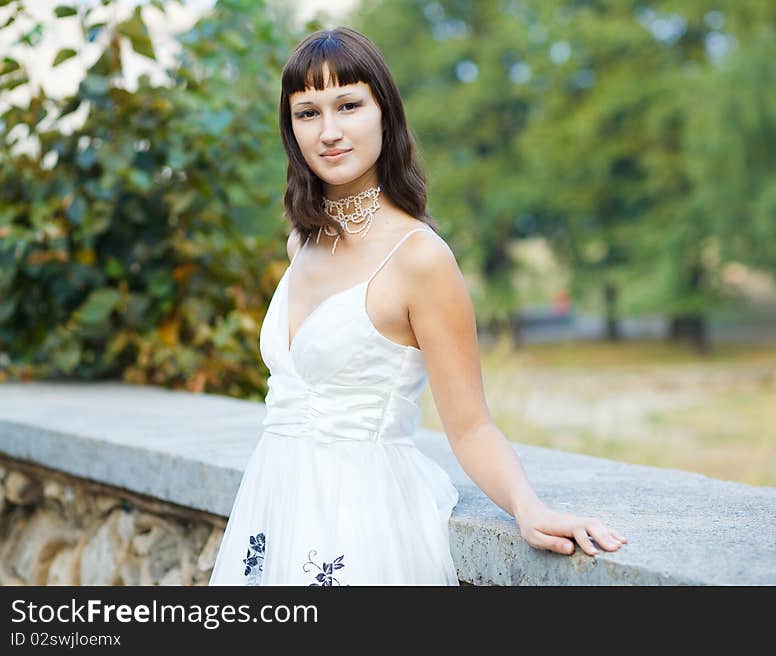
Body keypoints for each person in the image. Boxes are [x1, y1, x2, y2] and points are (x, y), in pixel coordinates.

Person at [208, 26, 625, 586]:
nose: (329, 131)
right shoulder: (301, 243)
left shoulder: (421, 259)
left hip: (363, 525)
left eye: (348, 105)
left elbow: (472, 425)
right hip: (272, 509)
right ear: (291, 129)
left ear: (385, 114)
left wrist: (530, 507)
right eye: (307, 113)